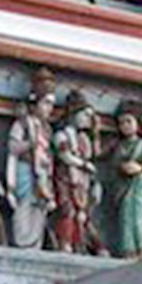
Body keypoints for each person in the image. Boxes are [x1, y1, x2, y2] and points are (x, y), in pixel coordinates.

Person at [6, 69, 57, 248]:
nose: (49, 108)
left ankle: (35, 244)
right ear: (35, 104)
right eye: (46, 103)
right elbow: (13, 147)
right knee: (25, 203)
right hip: (26, 169)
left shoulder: (47, 129)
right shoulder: (22, 124)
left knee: (40, 207)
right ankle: (22, 241)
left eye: (51, 104)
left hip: (42, 173)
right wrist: (31, 144)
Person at [52, 90, 105, 255]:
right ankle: (65, 243)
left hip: (83, 182)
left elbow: (96, 155)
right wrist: (83, 164)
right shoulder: (62, 134)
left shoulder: (84, 138)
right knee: (68, 210)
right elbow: (64, 156)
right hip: (66, 178)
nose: (88, 119)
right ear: (73, 114)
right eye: (85, 115)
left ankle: (83, 245)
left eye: (90, 116)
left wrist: (96, 132)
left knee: (83, 215)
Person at [106, 99, 142, 259]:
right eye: (121, 123)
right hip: (120, 190)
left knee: (137, 220)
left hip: (137, 190)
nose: (125, 126)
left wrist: (140, 168)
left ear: (137, 123)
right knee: (125, 220)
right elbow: (99, 154)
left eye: (129, 121)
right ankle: (128, 252)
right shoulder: (117, 145)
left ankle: (139, 252)